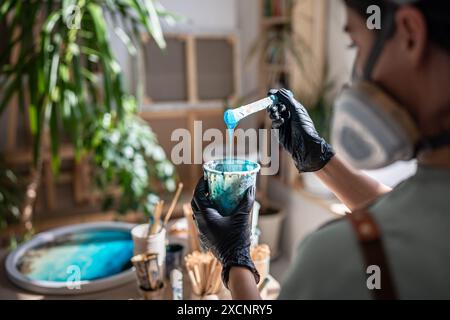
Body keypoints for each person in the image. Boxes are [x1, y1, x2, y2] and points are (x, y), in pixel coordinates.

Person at [191, 0, 450, 299]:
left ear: (410, 34)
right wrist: (319, 159)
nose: (358, 71)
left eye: (355, 45)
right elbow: (412, 220)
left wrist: (235, 262)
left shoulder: (339, 261)